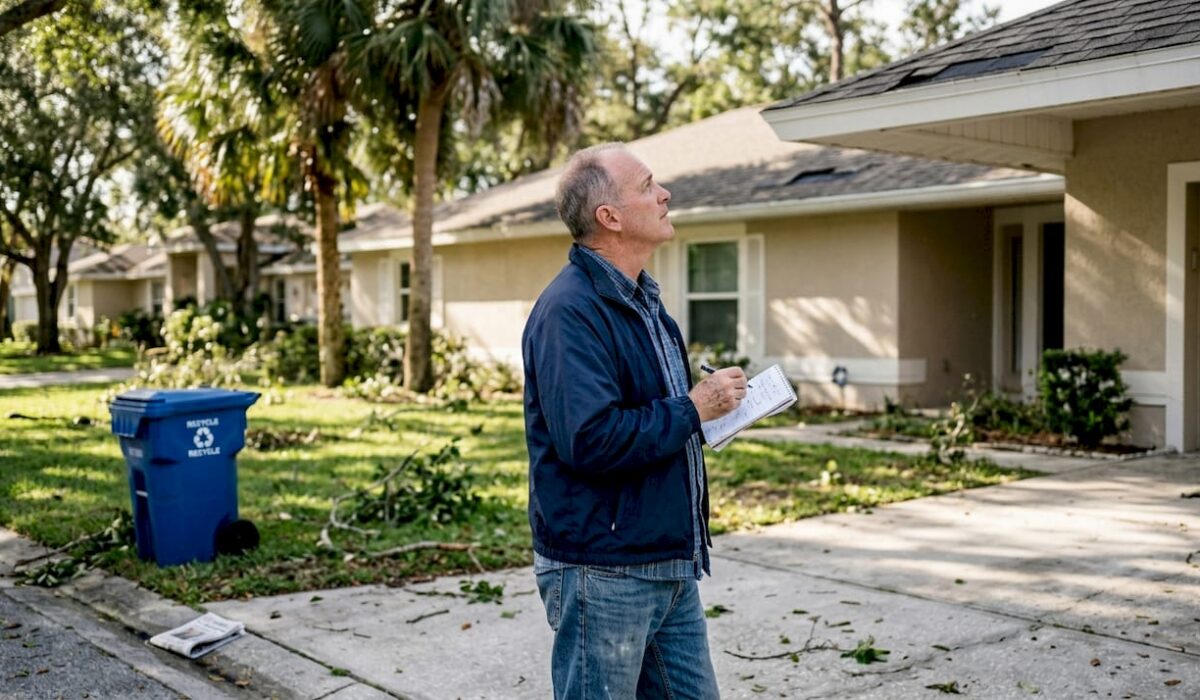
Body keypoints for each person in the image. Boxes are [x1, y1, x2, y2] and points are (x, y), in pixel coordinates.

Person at [522, 142, 747, 699]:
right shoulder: (570, 312)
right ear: (610, 217)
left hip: (669, 561)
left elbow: (658, 419)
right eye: (648, 185)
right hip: (604, 571)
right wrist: (694, 408)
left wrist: (710, 413)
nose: (664, 193)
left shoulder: (646, 303)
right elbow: (591, 439)